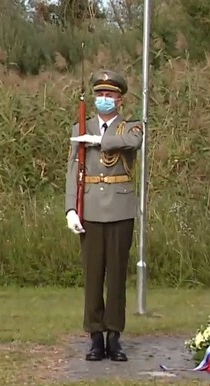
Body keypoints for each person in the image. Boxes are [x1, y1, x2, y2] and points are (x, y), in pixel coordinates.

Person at [64, 69, 143, 362]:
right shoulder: (79, 127)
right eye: (100, 95)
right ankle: (95, 335)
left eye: (110, 95)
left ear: (120, 100)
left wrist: (97, 139)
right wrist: (71, 207)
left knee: (117, 276)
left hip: (120, 207)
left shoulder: (130, 127)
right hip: (91, 207)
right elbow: (73, 169)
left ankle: (114, 336)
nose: (104, 100)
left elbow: (132, 145)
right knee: (93, 274)